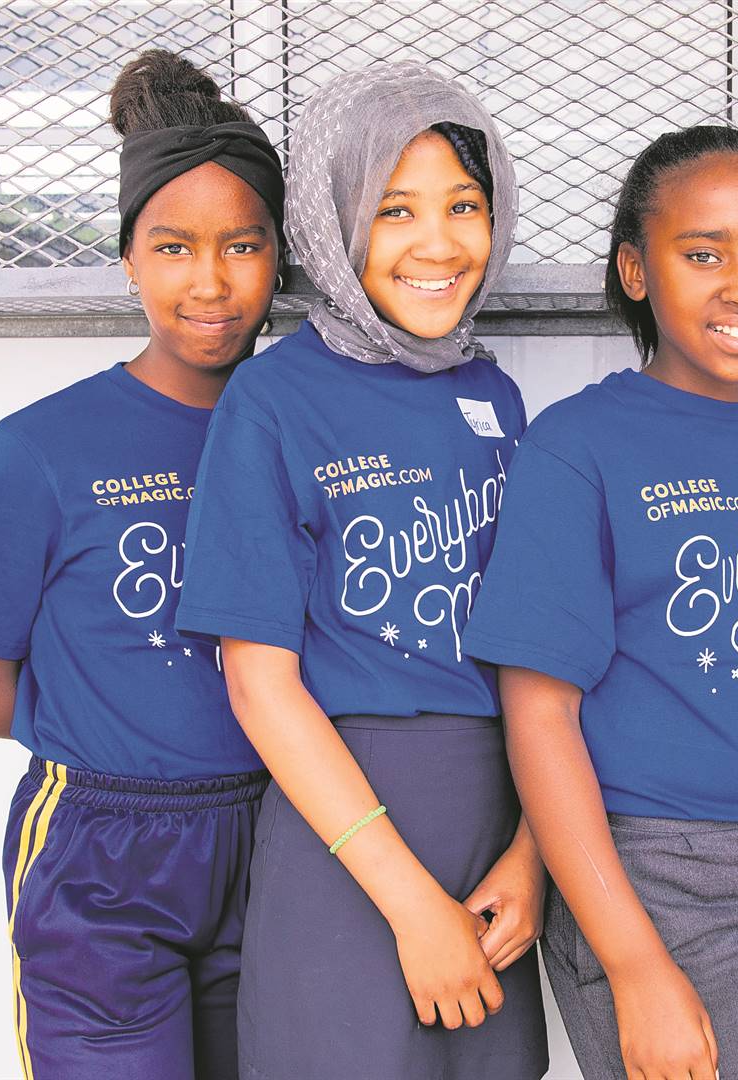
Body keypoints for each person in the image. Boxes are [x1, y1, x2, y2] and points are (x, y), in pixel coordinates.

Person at [174, 62, 548, 1080]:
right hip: (350, 845)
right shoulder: (272, 403)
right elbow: (259, 685)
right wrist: (412, 904)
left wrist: (534, 857)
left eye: (463, 205)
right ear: (334, 222)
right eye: (394, 210)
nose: (439, 244)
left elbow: (540, 660)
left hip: (497, 838)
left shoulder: (496, 399)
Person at [0, 49, 283, 1079]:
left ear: (280, 257)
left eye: (242, 245)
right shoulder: (42, 450)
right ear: (128, 257)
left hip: (278, 842)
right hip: (102, 857)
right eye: (172, 247)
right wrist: (126, 730)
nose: (210, 282)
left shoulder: (303, 433)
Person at [464, 125, 738, 1080]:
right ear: (636, 271)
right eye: (703, 254)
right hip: (658, 876)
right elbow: (540, 715)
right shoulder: (579, 447)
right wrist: (635, 966)